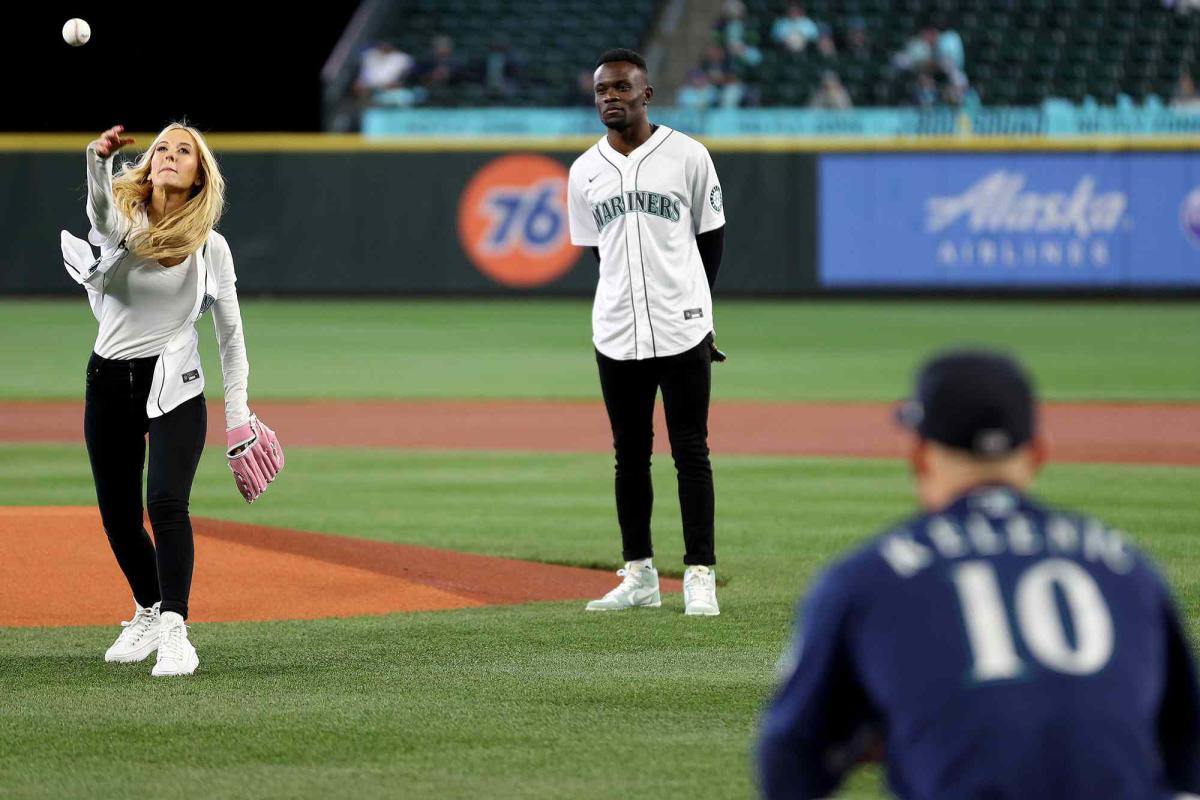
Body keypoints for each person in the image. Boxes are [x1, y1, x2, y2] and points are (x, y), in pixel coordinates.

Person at [757, 350, 1200, 798]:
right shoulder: (1128, 568)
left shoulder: (868, 580)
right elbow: (1188, 742)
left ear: (920, 456)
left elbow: (789, 757)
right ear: (1037, 453)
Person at [59, 123, 284, 677]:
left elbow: (231, 337)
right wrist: (96, 160)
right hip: (108, 381)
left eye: (184, 151)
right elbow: (99, 215)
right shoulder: (124, 221)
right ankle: (149, 608)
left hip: (174, 385)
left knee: (164, 502)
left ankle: (177, 632)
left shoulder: (212, 246)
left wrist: (238, 420)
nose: (169, 155)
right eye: (162, 146)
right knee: (117, 516)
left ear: (199, 174)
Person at [567, 49, 727, 616]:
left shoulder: (687, 155)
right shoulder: (583, 170)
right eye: (601, 90)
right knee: (628, 456)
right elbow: (597, 252)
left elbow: (711, 241)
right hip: (615, 331)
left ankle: (700, 574)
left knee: (691, 452)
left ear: (646, 93)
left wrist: (697, 309)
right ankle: (639, 575)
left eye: (620, 87)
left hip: (683, 329)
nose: (610, 97)